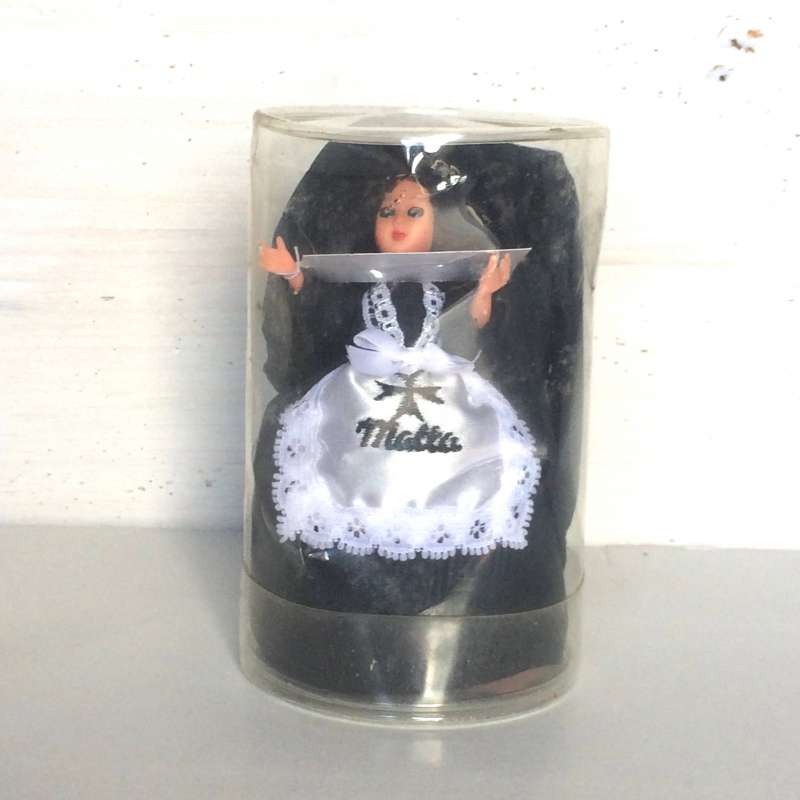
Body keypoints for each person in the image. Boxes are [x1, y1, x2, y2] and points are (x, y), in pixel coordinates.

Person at [258, 174, 541, 562]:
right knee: (340, 451)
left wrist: (486, 293)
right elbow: (324, 312)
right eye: (387, 212)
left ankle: (455, 529)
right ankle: (348, 531)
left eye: (414, 212)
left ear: (439, 223)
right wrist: (294, 275)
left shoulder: (448, 286)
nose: (398, 222)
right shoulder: (358, 284)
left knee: (469, 443)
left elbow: (473, 327)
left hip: (439, 388)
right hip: (365, 388)